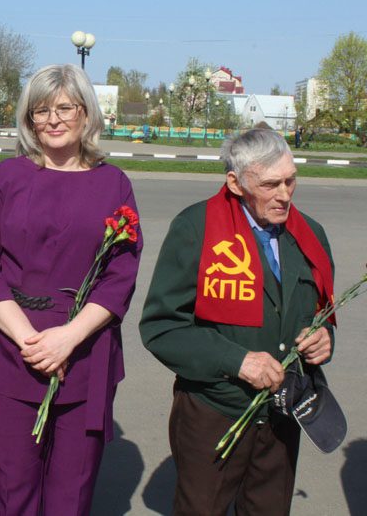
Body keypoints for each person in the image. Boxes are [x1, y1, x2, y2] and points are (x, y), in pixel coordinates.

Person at [0, 64, 143, 515]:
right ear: (28, 120)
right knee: (14, 494)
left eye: (65, 108)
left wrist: (67, 338)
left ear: (86, 115)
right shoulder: (5, 178)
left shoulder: (114, 184)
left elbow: (120, 275)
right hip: (11, 351)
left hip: (85, 352)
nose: (54, 119)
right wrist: (32, 341)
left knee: (71, 497)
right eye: (40, 111)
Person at [139, 128, 335, 515]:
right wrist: (238, 361)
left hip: (282, 413)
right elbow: (162, 327)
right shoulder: (197, 228)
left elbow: (318, 312)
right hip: (215, 412)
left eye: (291, 180)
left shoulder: (310, 234)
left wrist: (324, 337)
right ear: (236, 182)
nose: (285, 194)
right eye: (271, 184)